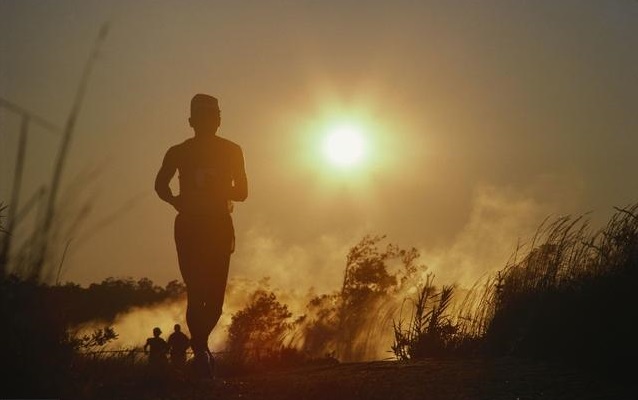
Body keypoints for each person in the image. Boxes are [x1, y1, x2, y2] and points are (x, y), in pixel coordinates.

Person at [155, 93, 248, 379]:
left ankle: (200, 348)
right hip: (201, 225)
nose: (210, 122)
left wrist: (183, 199)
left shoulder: (225, 150)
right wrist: (179, 200)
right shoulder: (184, 151)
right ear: (193, 121)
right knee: (200, 292)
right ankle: (201, 352)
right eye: (206, 117)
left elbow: (242, 193)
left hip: (207, 224)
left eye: (212, 117)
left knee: (208, 296)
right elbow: (161, 186)